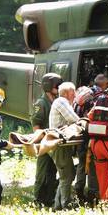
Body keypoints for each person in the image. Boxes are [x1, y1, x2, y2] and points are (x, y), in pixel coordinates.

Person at [31, 73, 63, 207]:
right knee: (42, 173)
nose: (59, 88)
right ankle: (38, 199)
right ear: (50, 86)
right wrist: (41, 142)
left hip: (52, 142)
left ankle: (49, 198)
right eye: (57, 85)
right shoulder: (41, 103)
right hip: (44, 142)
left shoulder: (55, 101)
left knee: (52, 172)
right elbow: (36, 125)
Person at [49, 82, 80, 210]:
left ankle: (57, 205)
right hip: (59, 144)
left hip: (61, 144)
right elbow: (74, 118)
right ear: (67, 93)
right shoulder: (62, 101)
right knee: (66, 175)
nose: (75, 95)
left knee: (68, 174)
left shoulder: (60, 102)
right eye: (73, 92)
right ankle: (65, 206)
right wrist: (83, 121)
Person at [73, 86, 98, 204]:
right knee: (92, 165)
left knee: (81, 165)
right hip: (89, 139)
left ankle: (79, 191)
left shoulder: (76, 102)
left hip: (79, 139)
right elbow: (92, 120)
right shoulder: (91, 103)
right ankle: (92, 194)